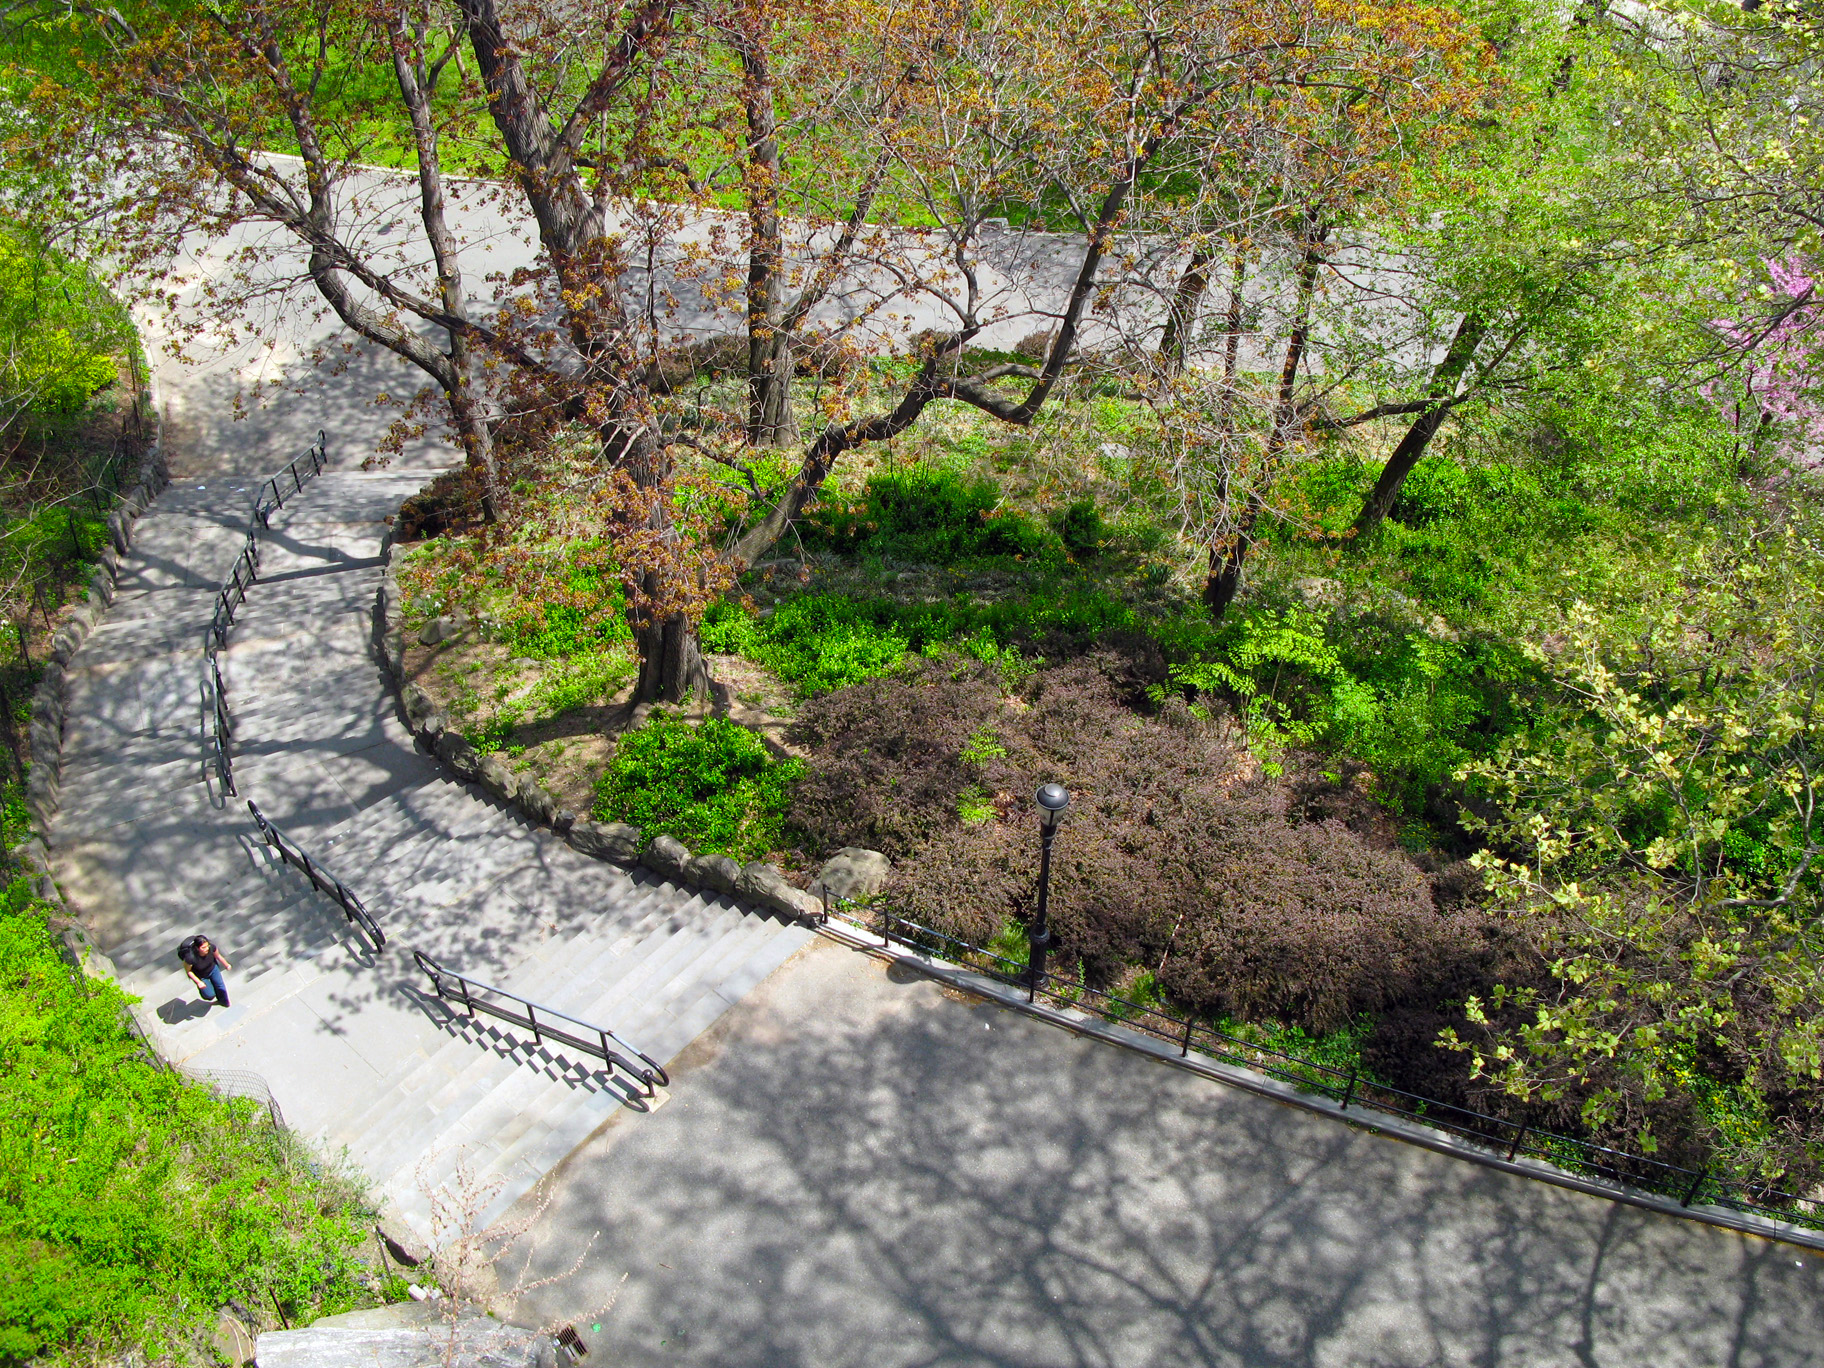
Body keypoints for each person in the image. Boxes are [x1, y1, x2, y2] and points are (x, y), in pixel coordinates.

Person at [178, 935, 233, 1008]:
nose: (207, 949)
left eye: (207, 946)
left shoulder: (212, 947)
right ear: (197, 948)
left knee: (220, 986)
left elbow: (218, 956)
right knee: (209, 995)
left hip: (213, 969)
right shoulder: (190, 958)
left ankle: (224, 1001)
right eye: (203, 947)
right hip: (201, 976)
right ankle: (207, 992)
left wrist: (226, 965)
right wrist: (198, 982)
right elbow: (189, 971)